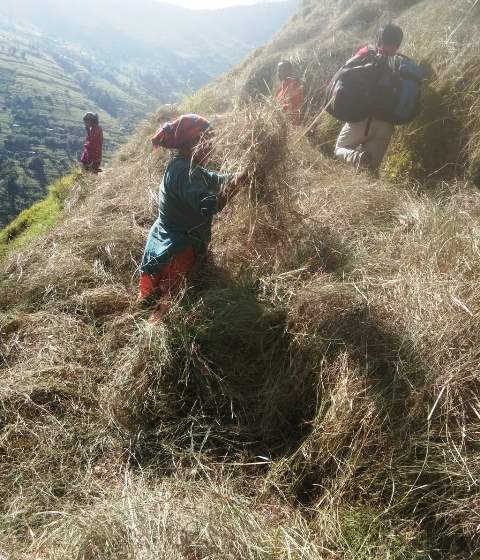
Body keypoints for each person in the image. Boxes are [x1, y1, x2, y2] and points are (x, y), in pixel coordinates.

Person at [138, 114, 249, 319]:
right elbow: (209, 205)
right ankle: (153, 334)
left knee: (155, 297)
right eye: (208, 141)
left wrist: (240, 175)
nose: (212, 146)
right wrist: (238, 184)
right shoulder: (185, 172)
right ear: (194, 142)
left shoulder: (186, 164)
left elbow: (216, 179)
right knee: (166, 306)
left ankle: (147, 312)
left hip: (165, 237)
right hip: (176, 248)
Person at [334, 24, 404, 172]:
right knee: (369, 170)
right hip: (387, 126)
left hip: (362, 120)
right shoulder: (402, 64)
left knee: (340, 148)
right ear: (398, 44)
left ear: (380, 38)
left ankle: (357, 158)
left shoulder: (368, 54)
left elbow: (343, 73)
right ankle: (363, 167)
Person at [275, 60, 303, 126]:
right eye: (278, 70)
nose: (278, 73)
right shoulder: (280, 89)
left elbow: (292, 107)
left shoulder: (295, 86)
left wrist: (277, 110)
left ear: (289, 71)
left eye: (281, 70)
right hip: (281, 125)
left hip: (291, 127)